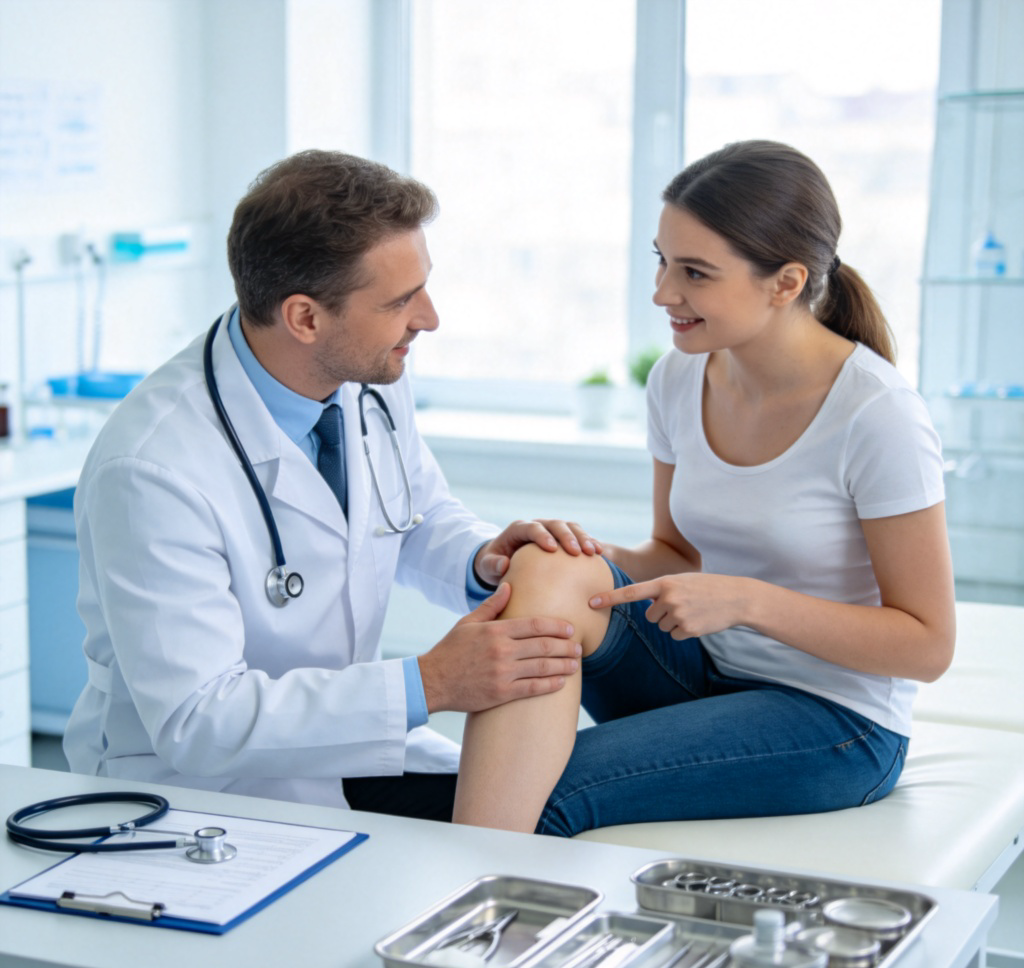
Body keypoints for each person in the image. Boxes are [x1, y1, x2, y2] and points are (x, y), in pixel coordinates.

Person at [63, 150, 602, 817]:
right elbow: (198, 720)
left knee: (549, 808)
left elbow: (416, 513)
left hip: (341, 754)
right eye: (401, 301)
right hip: (203, 797)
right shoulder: (151, 470)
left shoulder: (362, 378)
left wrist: (478, 558)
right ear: (306, 318)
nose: (429, 318)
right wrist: (430, 682)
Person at [453, 140, 956, 837]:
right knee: (549, 568)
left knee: (539, 792)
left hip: (835, 720)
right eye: (662, 261)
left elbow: (928, 647)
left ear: (785, 283)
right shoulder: (680, 377)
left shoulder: (877, 415)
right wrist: (577, 557)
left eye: (694, 272)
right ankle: (466, 879)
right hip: (697, 671)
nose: (663, 293)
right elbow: (674, 554)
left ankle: (471, 895)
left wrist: (747, 601)